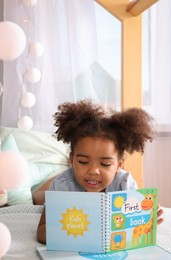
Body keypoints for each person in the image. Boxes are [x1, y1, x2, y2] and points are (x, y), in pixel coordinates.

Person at [36, 99, 164, 244]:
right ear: (72, 160)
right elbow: (41, 233)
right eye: (83, 162)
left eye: (105, 164)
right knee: (38, 197)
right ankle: (37, 195)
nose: (93, 171)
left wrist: (147, 222)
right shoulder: (63, 184)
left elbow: (134, 229)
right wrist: (72, 230)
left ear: (119, 165)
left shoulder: (124, 183)